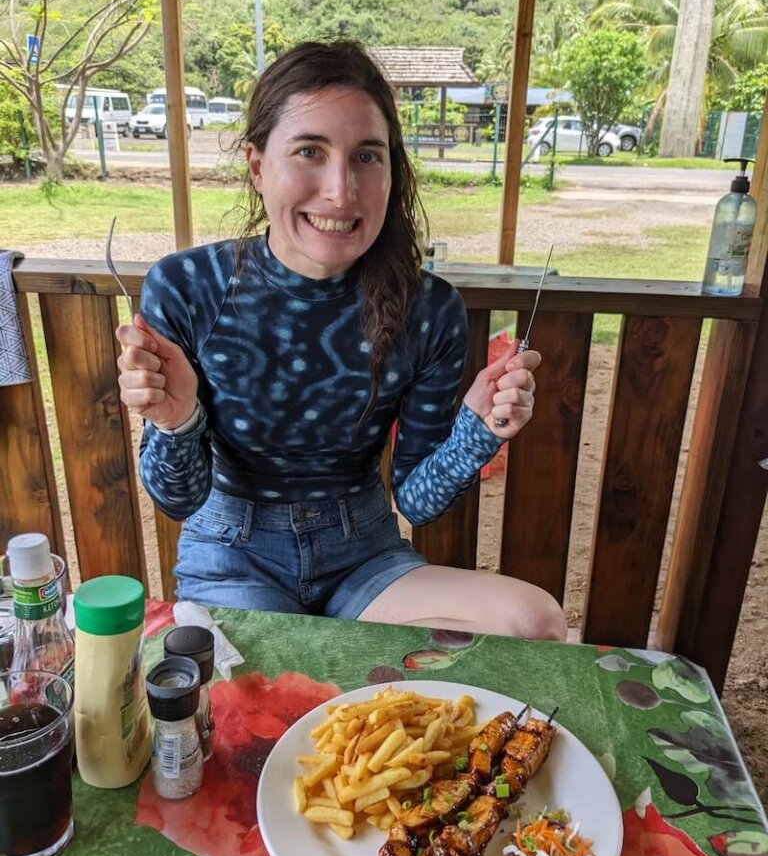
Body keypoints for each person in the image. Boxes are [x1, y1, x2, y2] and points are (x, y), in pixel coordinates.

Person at [116, 40, 566, 642]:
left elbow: (418, 501)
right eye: (309, 151)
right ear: (257, 165)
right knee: (267, 696)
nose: (340, 190)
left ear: (391, 171)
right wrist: (177, 423)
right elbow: (179, 498)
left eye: (366, 157)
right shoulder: (188, 286)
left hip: (366, 555)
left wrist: (476, 431)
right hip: (233, 553)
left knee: (534, 622)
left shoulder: (428, 308)